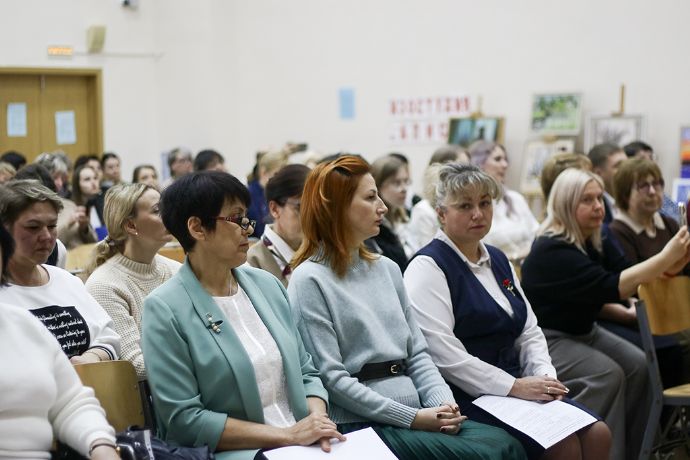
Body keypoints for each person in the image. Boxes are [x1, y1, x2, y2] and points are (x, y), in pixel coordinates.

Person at [288, 155, 527, 460]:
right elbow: (332, 380)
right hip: (360, 421)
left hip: (415, 410)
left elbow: (418, 354)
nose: (383, 207)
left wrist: (444, 405)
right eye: (370, 198)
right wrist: (413, 418)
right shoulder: (309, 279)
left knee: (505, 444)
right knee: (487, 454)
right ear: (336, 208)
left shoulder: (387, 269)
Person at [404, 163, 610, 459]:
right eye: (465, 206)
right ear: (441, 214)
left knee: (598, 433)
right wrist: (513, 386)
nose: (478, 213)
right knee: (562, 447)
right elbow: (445, 356)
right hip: (468, 393)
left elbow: (529, 330)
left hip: (518, 384)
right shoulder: (427, 267)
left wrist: (544, 376)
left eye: (485, 203)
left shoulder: (498, 259)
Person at [141, 171, 342, 459]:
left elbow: (307, 372)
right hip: (239, 452)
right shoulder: (164, 308)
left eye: (246, 217)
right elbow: (184, 420)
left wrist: (317, 423)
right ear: (197, 228)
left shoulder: (267, 285)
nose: (248, 228)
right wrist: (287, 436)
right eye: (236, 219)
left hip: (302, 443)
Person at [521, 168, 690, 460]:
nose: (599, 206)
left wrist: (672, 263)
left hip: (584, 330)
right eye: (587, 200)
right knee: (607, 375)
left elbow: (630, 275)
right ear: (566, 204)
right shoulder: (551, 248)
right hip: (548, 338)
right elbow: (615, 287)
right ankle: (599, 450)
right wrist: (666, 258)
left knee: (639, 365)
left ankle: (636, 451)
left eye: (600, 198)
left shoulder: (596, 236)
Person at [0, 224, 119, 460]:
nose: (46, 235)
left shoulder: (21, 321)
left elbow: (69, 402)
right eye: (33, 226)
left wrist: (100, 444)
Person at [0, 180, 120, 364]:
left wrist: (91, 358)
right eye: (33, 227)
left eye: (52, 226)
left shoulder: (65, 280)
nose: (47, 236)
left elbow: (108, 336)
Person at [85, 183, 181, 380]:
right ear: (130, 225)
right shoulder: (104, 285)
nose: (170, 215)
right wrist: (198, 360)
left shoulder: (176, 270)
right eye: (157, 210)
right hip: (153, 393)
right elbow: (135, 365)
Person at [609, 157, 689, 385]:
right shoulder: (617, 231)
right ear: (625, 193)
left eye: (657, 184)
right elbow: (635, 285)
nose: (653, 191)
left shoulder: (669, 224)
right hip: (649, 318)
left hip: (678, 308)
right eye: (643, 186)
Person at [468, 141, 538, 260]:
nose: (505, 165)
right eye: (498, 159)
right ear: (479, 163)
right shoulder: (472, 206)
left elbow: (536, 233)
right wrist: (514, 257)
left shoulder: (515, 199)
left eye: (505, 160)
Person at [247, 164, 309, 287]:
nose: (311, 217)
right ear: (274, 209)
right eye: (301, 207)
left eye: (317, 208)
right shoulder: (252, 263)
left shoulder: (322, 252)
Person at [406, 145, 470, 252]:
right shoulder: (423, 210)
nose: (468, 174)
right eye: (461, 167)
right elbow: (431, 252)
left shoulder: (468, 205)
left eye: (469, 166)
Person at [366, 155, 411, 270]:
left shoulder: (404, 216)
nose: (404, 189)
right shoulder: (373, 226)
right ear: (378, 186)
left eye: (406, 181)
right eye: (396, 183)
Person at [623, 140, 679, 221]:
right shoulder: (628, 195)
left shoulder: (657, 189)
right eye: (642, 159)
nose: (650, 163)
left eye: (651, 157)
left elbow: (677, 217)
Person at [247, 150, 289, 238]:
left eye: (284, 175)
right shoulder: (248, 195)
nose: (281, 179)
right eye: (277, 174)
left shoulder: (281, 194)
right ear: (263, 172)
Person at [587, 143, 628, 224]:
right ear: (598, 173)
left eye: (627, 165)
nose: (626, 170)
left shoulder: (632, 201)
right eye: (618, 166)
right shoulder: (594, 207)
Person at [71, 163, 106, 234]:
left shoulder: (104, 202)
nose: (93, 182)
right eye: (87, 179)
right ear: (77, 184)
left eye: (95, 178)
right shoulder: (71, 207)